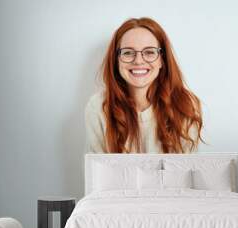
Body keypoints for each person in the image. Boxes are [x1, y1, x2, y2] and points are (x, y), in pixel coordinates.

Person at [85, 17, 203, 153]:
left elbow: (187, 171)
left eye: (149, 52)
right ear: (116, 60)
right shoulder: (99, 107)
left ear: (162, 60)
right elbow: (97, 172)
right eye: (128, 52)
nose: (138, 61)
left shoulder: (186, 106)